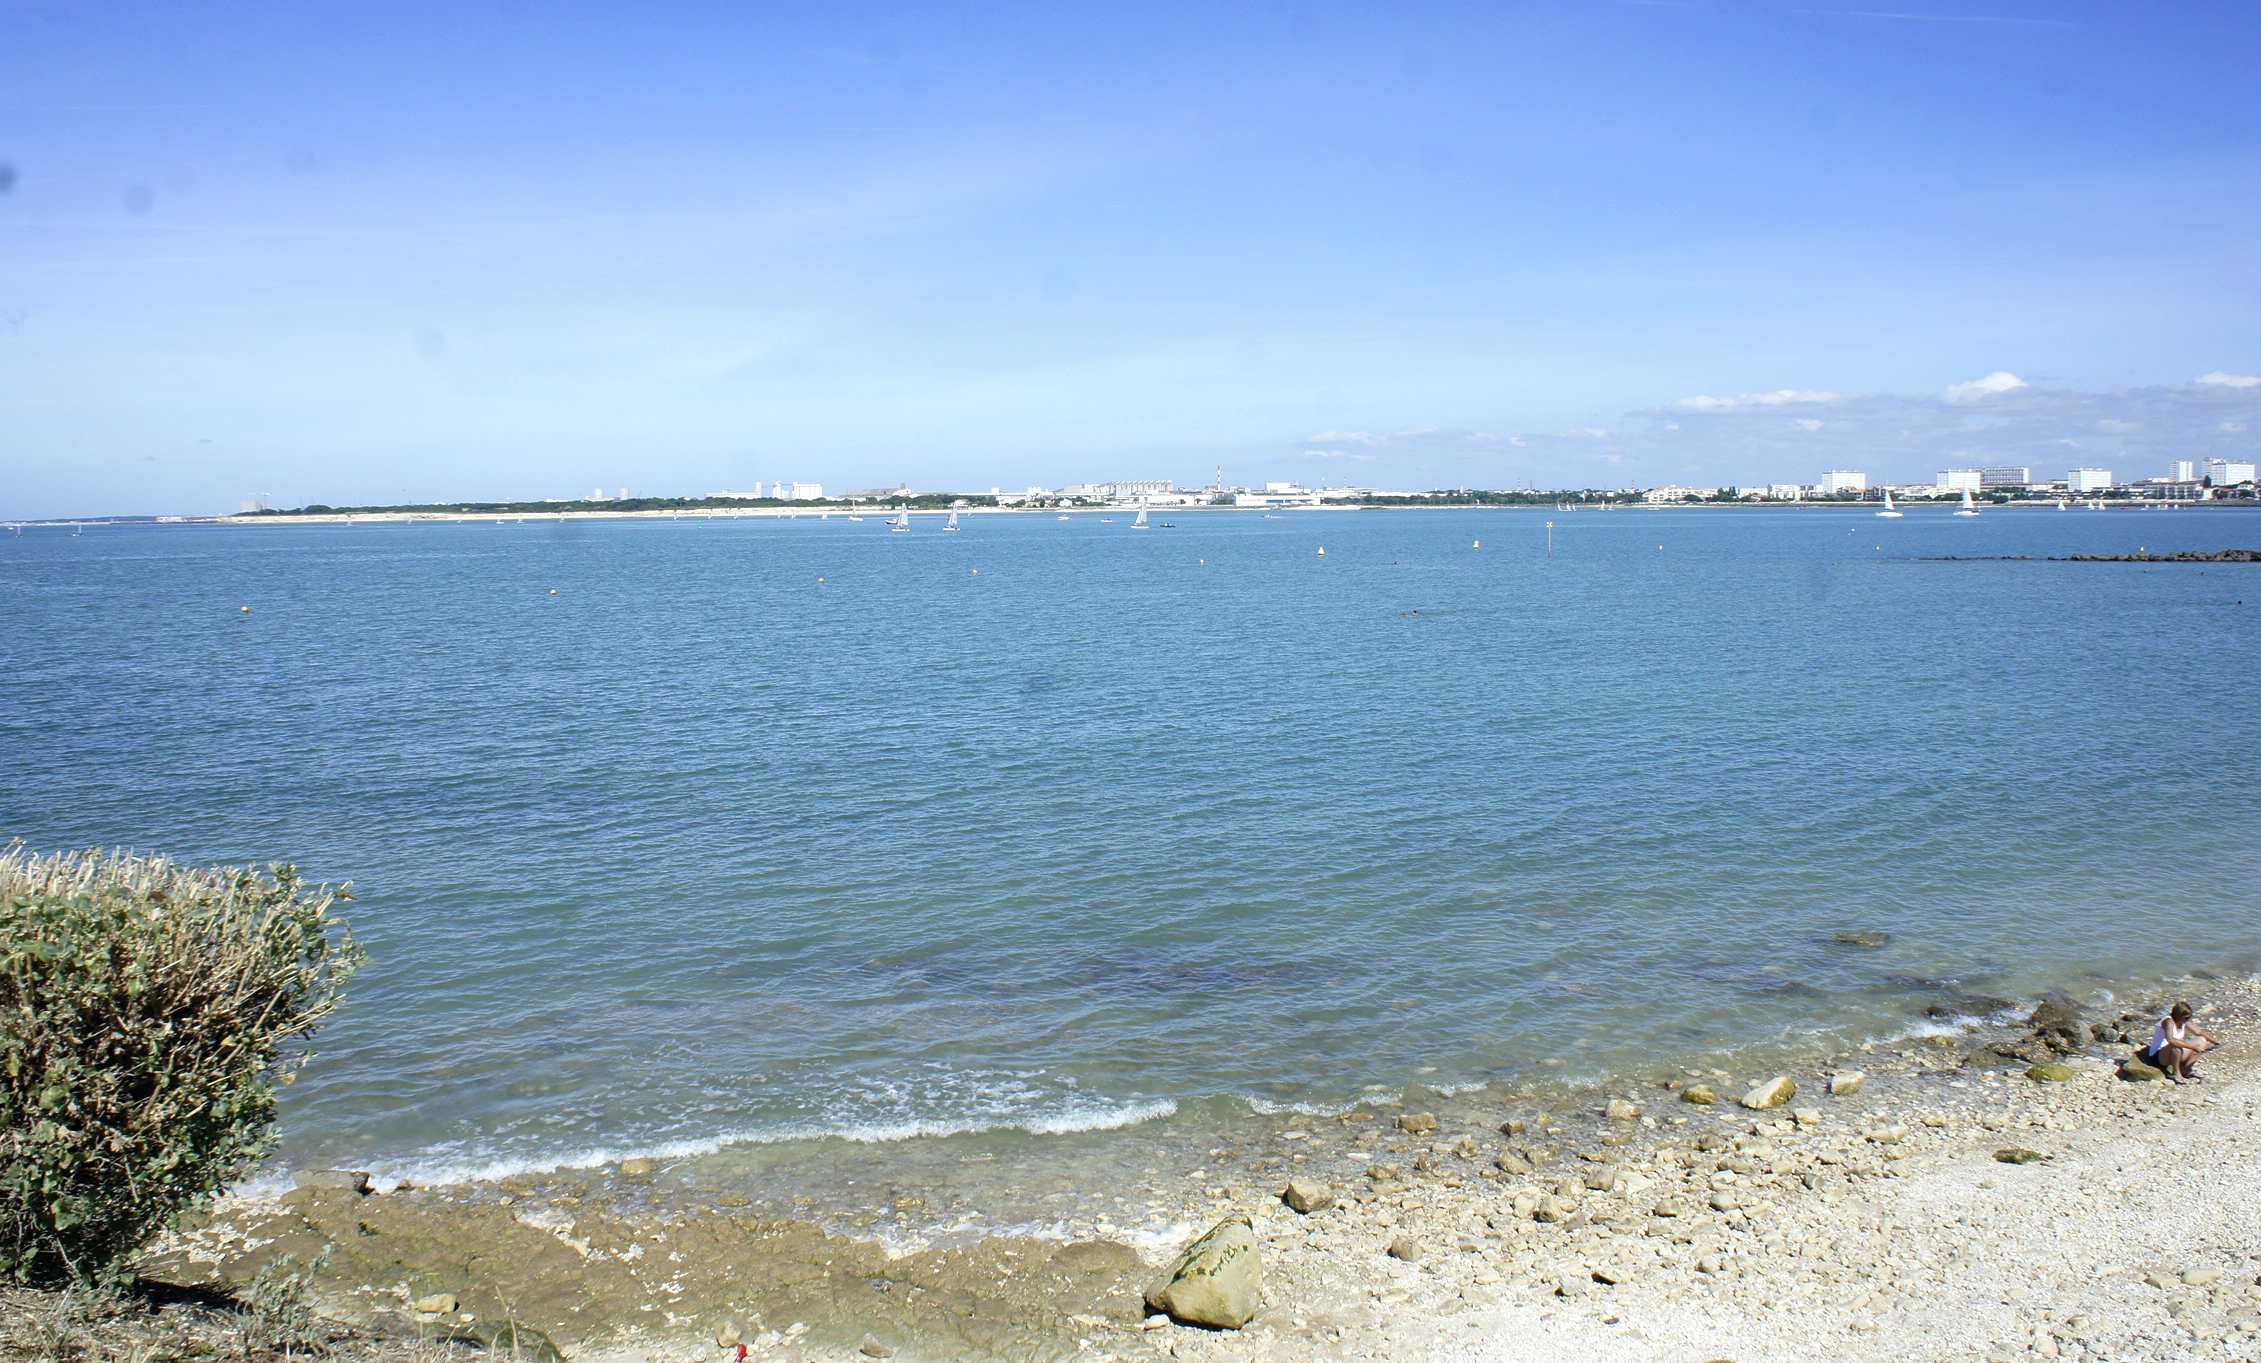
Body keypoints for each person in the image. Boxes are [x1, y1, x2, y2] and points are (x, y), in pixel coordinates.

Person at [2142, 1001, 2219, 1083]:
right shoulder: (2168, 1021)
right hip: (2159, 1055)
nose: (2187, 1020)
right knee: (2176, 1046)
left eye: (2188, 1018)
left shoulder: (2183, 1022)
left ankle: (2186, 1069)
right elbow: (2171, 1040)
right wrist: (2193, 1047)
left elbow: (2199, 1032)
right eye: (2185, 1018)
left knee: (2202, 1041)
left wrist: (2215, 1042)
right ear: (2178, 1016)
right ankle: (2176, 1073)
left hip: (2175, 1052)